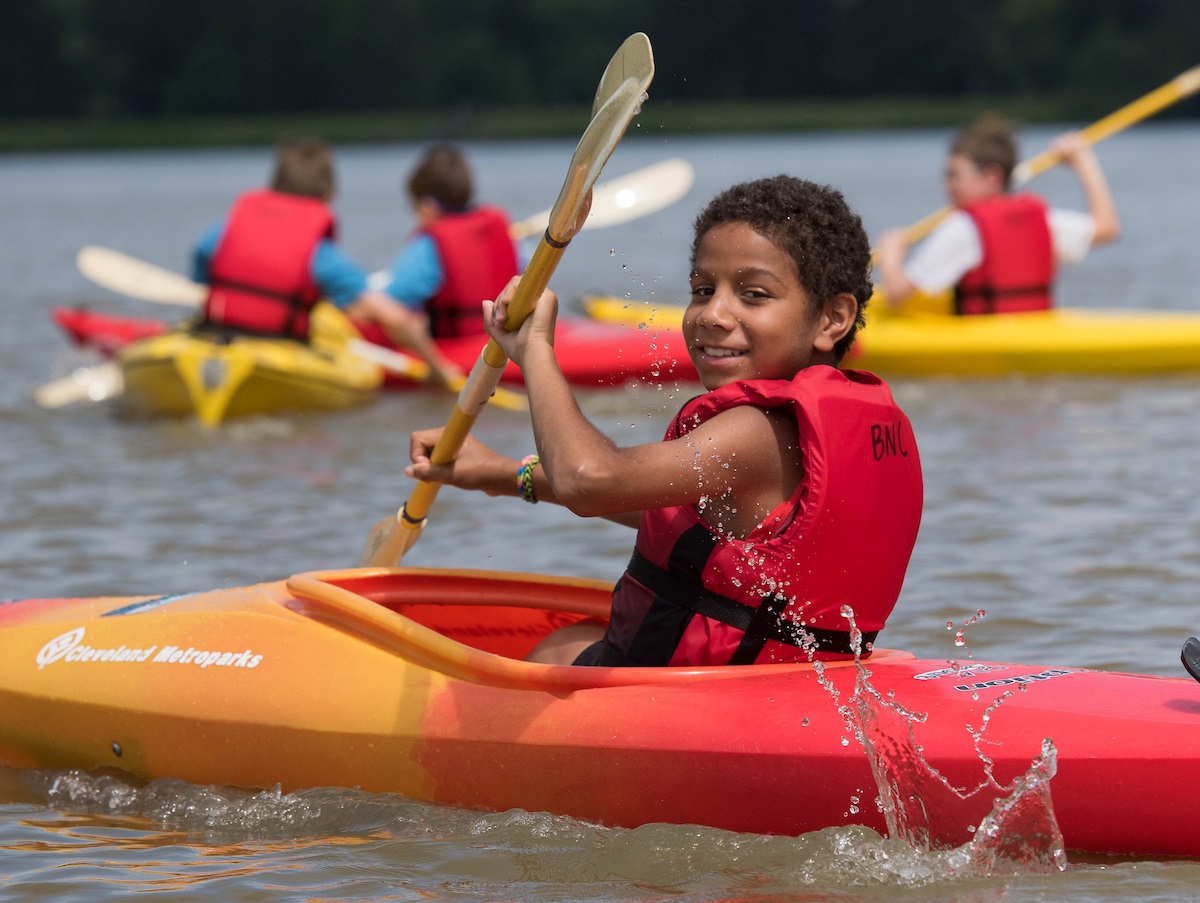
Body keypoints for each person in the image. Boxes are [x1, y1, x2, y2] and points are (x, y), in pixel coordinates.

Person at [406, 176, 924, 668]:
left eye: (754, 294)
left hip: (698, 701)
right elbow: (671, 517)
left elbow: (592, 481)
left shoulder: (756, 432)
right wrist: (499, 474)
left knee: (558, 651)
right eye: (702, 289)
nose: (712, 314)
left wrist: (535, 352)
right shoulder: (848, 424)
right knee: (574, 639)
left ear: (832, 318)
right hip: (793, 687)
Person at [193, 137, 461, 386]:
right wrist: (438, 369)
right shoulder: (319, 254)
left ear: (273, 185)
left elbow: (202, 260)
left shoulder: (227, 230)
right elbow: (395, 319)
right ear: (330, 195)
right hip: (277, 346)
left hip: (215, 335)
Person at [876, 113, 1121, 315]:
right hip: (1036, 336)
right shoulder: (1039, 218)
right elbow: (1108, 227)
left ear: (991, 177)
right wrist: (1083, 161)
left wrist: (891, 255)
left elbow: (898, 294)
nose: (946, 186)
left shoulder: (962, 226)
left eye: (954, 175)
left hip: (988, 341)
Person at [375, 144, 521, 339]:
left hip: (458, 348)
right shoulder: (503, 233)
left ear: (427, 207)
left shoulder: (427, 246)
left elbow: (389, 301)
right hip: (504, 340)